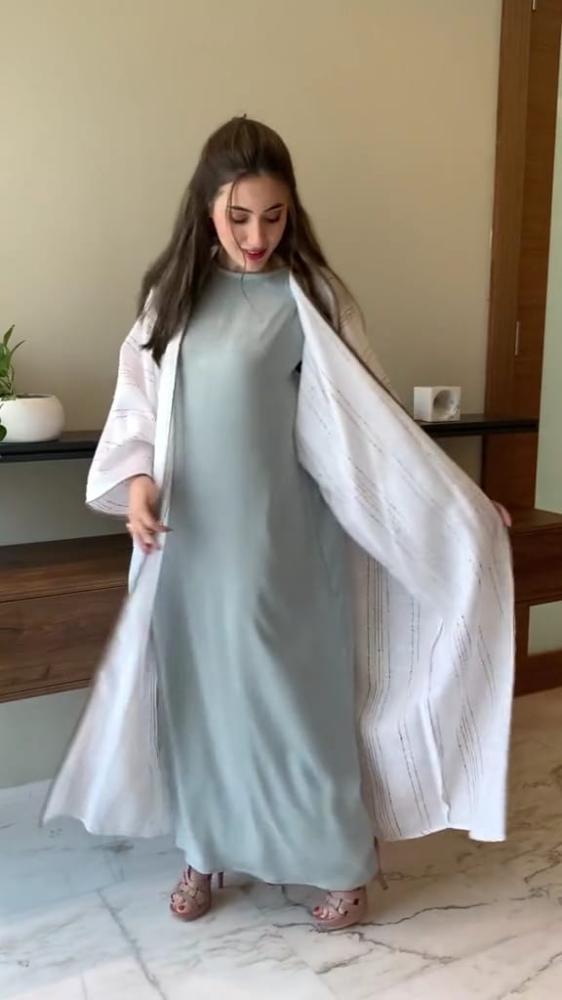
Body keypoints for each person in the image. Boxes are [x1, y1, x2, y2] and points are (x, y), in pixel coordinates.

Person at [42, 116, 514, 934]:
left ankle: (340, 861)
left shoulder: (315, 299)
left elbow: (373, 424)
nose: (257, 236)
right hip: (189, 547)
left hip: (287, 544)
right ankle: (204, 849)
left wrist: (456, 502)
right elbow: (137, 411)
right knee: (201, 704)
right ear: (206, 208)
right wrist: (139, 482)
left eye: (273, 216)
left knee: (299, 706)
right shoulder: (171, 300)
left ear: (292, 210)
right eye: (238, 217)